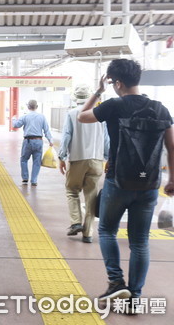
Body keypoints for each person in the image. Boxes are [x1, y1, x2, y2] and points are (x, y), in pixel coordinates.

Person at [78, 59, 174, 307]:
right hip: (149, 185)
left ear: (117, 82)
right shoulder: (161, 109)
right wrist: (172, 179)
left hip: (117, 182)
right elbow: (171, 145)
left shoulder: (113, 105)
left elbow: (82, 117)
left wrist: (98, 91)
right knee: (140, 241)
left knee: (107, 230)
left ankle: (116, 282)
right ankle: (135, 297)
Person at [58, 85, 109, 243]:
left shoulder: (73, 113)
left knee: (72, 190)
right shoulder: (101, 114)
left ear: (75, 98)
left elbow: (67, 135)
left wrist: (61, 156)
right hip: (97, 160)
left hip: (77, 158)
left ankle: (75, 223)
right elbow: (107, 139)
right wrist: (107, 157)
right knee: (91, 196)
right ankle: (87, 234)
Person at [12, 99, 53, 186]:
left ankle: (25, 178)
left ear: (28, 107)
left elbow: (16, 125)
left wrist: (13, 119)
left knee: (24, 159)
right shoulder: (42, 117)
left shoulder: (25, 116)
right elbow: (46, 130)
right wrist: (50, 140)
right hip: (38, 141)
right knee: (37, 161)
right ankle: (34, 180)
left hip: (28, 141)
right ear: (37, 107)